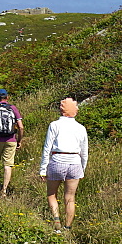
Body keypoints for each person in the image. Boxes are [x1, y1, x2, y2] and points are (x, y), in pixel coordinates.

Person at [39, 97, 89, 233]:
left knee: (51, 194)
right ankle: (67, 227)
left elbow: (47, 148)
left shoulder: (54, 125)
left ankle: (57, 222)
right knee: (70, 197)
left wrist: (43, 169)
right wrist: (82, 170)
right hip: (75, 162)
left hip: (57, 160)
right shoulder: (81, 128)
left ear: (61, 110)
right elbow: (84, 152)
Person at [0, 88, 24, 197]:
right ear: (7, 97)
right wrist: (19, 141)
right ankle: (4, 191)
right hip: (11, 140)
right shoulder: (13, 108)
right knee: (8, 165)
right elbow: (21, 127)